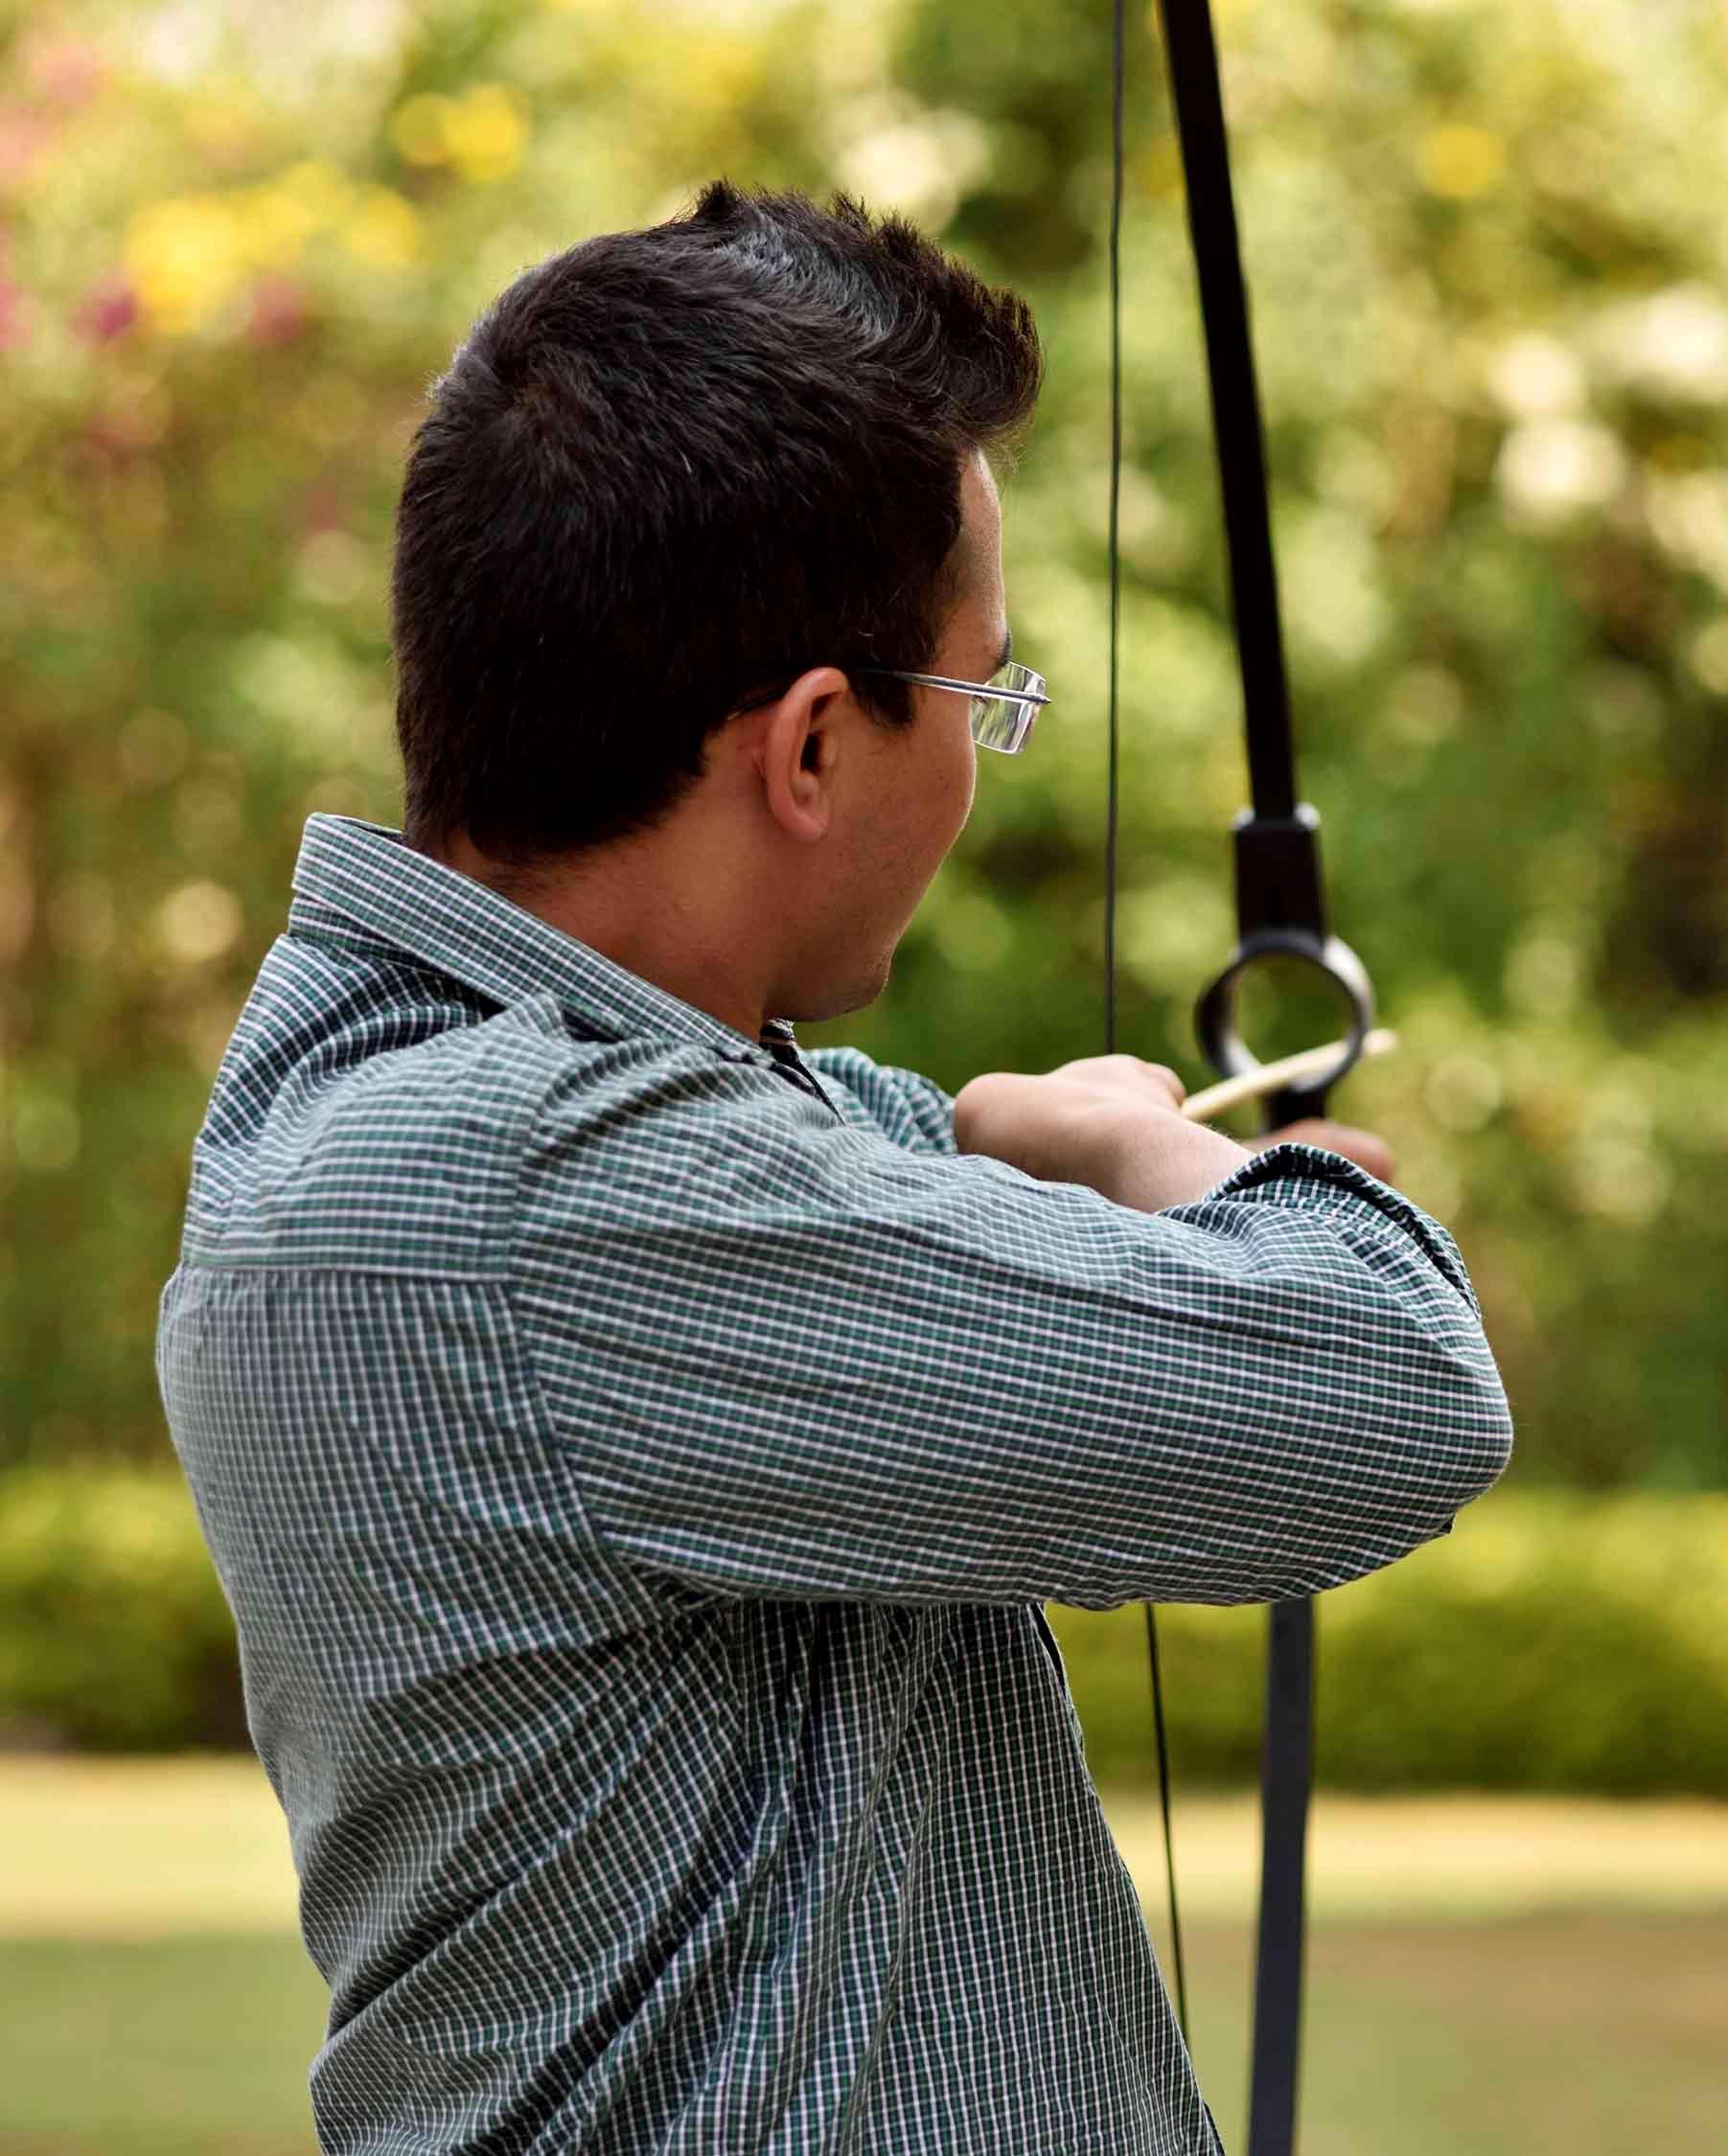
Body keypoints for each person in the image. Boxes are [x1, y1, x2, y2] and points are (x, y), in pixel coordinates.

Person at [154, 181, 1513, 2156]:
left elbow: (806, 1167)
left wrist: (982, 1133)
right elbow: (1388, 1379)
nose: (985, 754)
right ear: (809, 746)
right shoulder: (538, 1191)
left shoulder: (391, 1112)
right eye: (985, 695)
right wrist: (1168, 1157)